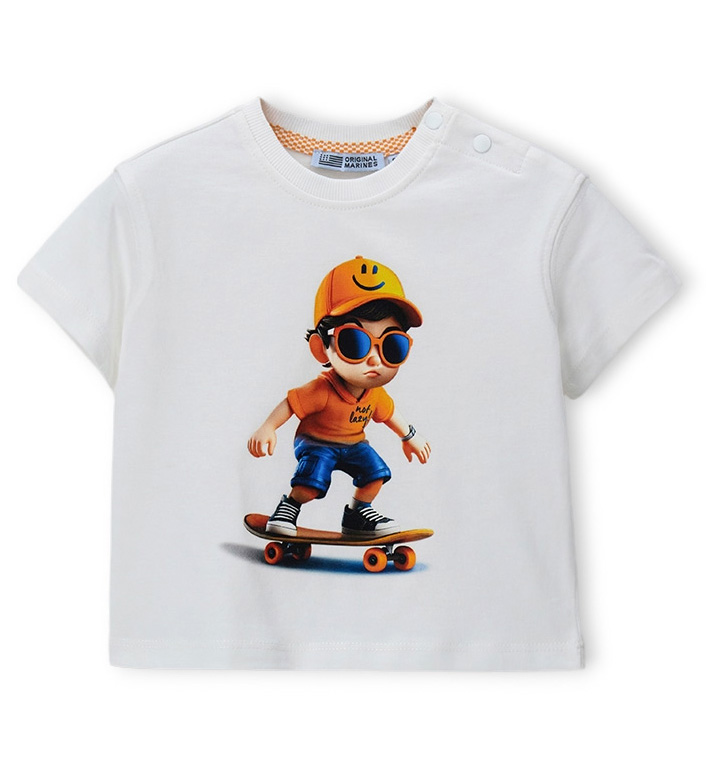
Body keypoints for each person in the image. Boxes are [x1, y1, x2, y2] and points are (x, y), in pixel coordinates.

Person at [246, 256, 431, 538]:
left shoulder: (375, 394)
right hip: (316, 442)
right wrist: (268, 427)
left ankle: (357, 513)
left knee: (376, 474)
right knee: (311, 484)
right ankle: (290, 506)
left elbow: (390, 415)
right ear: (321, 348)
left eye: (392, 346)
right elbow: (291, 405)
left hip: (354, 444)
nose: (374, 360)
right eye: (354, 342)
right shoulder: (322, 390)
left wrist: (409, 437)